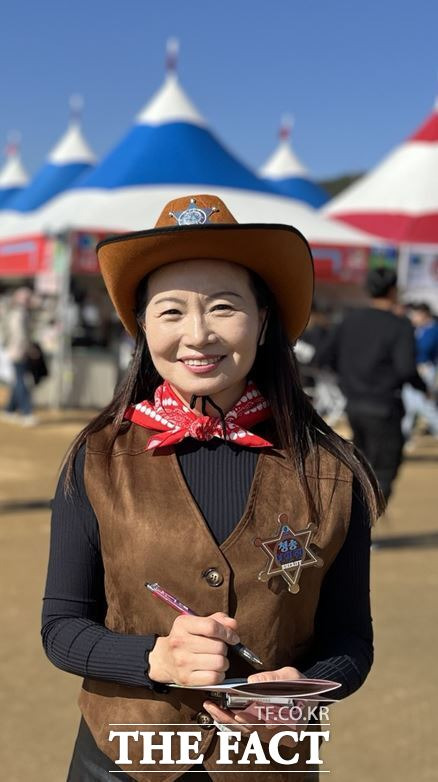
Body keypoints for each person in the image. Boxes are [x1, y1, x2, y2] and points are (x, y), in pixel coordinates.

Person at [41, 194, 383, 782]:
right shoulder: (95, 459)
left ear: (264, 319)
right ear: (142, 325)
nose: (197, 335)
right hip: (121, 763)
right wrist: (153, 657)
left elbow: (350, 639)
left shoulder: (332, 470)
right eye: (171, 311)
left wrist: (304, 692)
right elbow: (61, 629)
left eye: (224, 307)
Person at [317, 267, 426, 502]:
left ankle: (355, 523)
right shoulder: (400, 326)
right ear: (393, 290)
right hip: (385, 407)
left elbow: (323, 356)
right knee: (384, 470)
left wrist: (347, 377)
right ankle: (366, 528)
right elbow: (406, 368)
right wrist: (424, 389)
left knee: (360, 466)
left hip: (354, 404)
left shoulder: (349, 320)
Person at [1, 286, 37, 426]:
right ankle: (26, 412)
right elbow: (19, 335)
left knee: (19, 380)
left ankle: (9, 410)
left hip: (16, 350)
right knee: (22, 380)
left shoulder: (17, 312)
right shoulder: (19, 314)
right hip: (18, 351)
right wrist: (29, 349)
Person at [402, 303, 438, 440]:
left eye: (416, 314)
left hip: (426, 369)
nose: (413, 317)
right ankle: (404, 436)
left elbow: (425, 350)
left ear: (424, 314)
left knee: (424, 404)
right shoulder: (415, 329)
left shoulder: (434, 329)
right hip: (414, 368)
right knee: (409, 405)